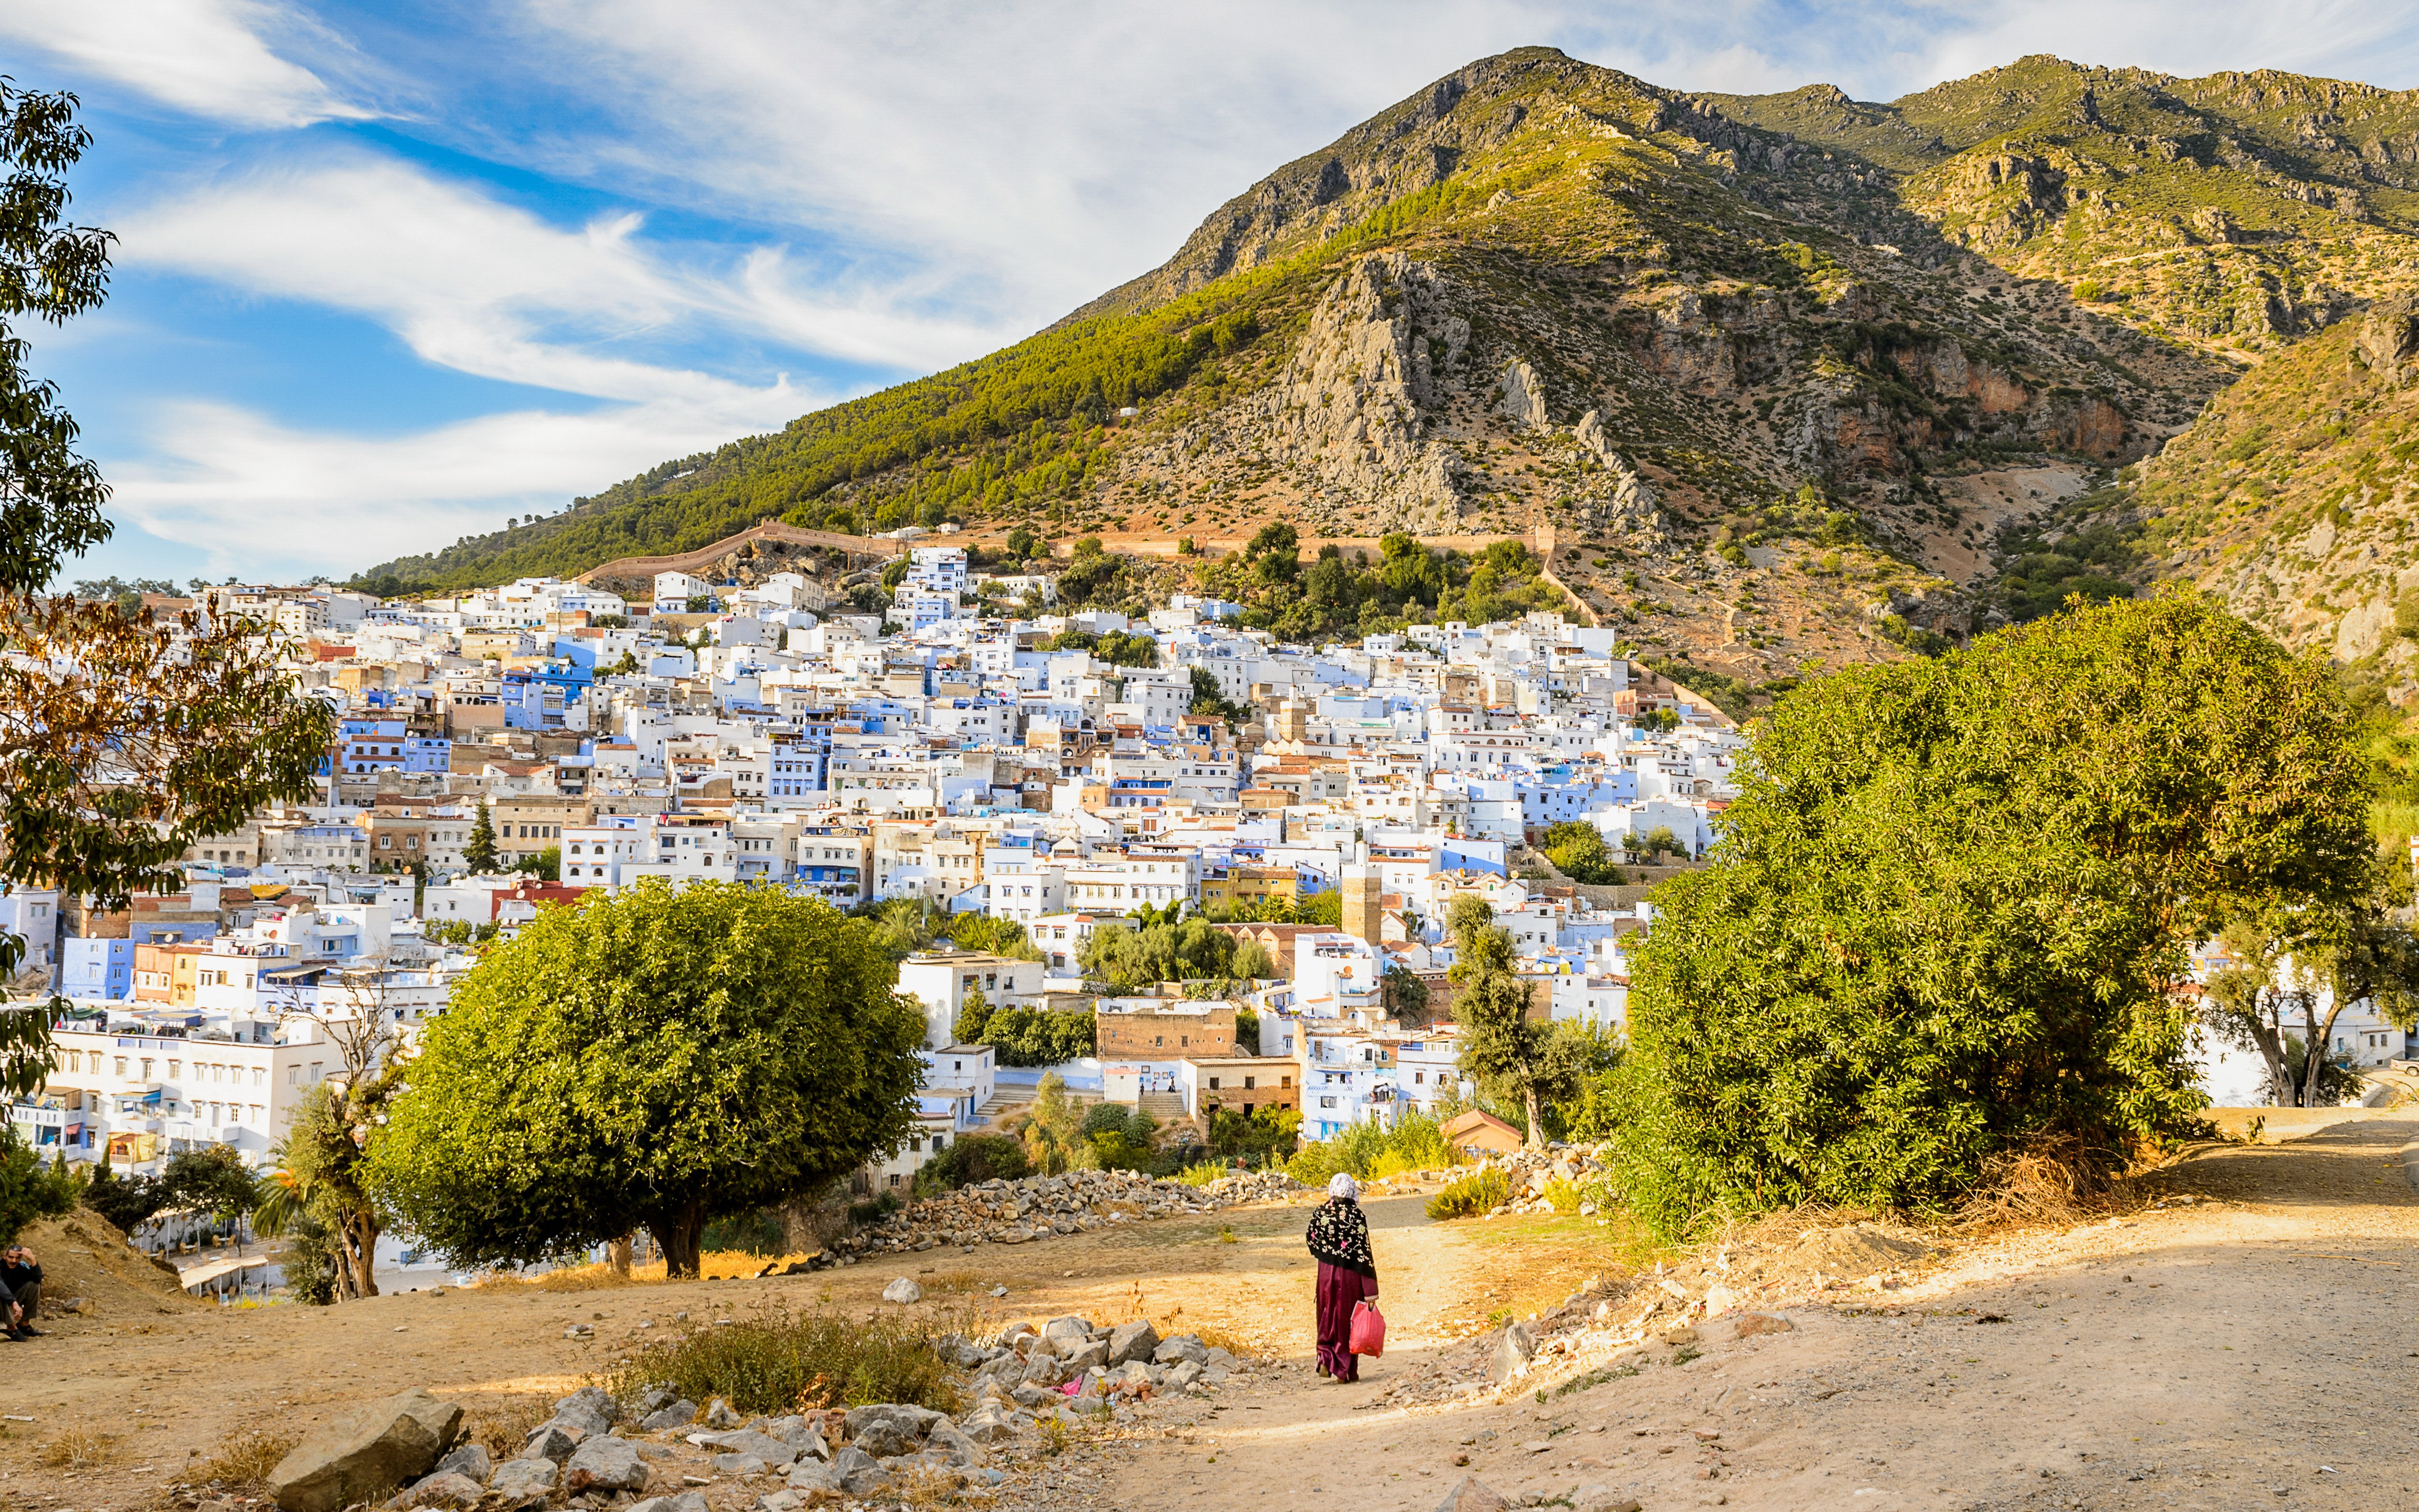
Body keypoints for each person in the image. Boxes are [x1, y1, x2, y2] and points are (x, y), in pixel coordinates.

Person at [1305, 1172, 1377, 1382]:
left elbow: (1311, 1239)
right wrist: (1371, 1292)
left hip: (1326, 1275)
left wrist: (1327, 1252)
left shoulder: (1321, 1214)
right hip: (1351, 1277)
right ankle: (1346, 1370)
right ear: (1352, 1192)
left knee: (1327, 1317)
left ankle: (1327, 1360)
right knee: (1348, 1321)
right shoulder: (1357, 1217)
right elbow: (1365, 1254)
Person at [0, 1244, 41, 1338]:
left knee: (34, 1285)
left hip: (10, 1307)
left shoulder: (21, 1267)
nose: (14, 1261)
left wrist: (33, 1260)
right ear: (5, 1256)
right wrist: (14, 1303)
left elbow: (37, 1279)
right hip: (3, 1306)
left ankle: (24, 1325)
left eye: (17, 1258)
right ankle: (12, 1329)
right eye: (11, 1257)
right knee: (2, 1293)